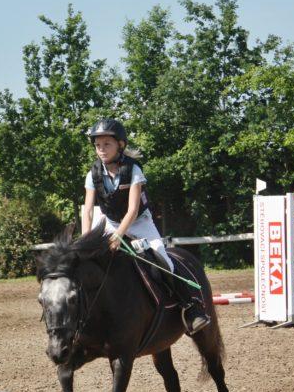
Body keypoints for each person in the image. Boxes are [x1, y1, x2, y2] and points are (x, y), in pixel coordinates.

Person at [80, 118, 209, 334]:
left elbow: (132, 210)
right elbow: (88, 211)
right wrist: (86, 239)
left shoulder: (133, 170)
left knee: (162, 257)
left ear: (120, 145)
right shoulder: (92, 174)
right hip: (109, 221)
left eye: (107, 144)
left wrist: (118, 237)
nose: (101, 149)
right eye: (98, 145)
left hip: (139, 222)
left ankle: (191, 307)